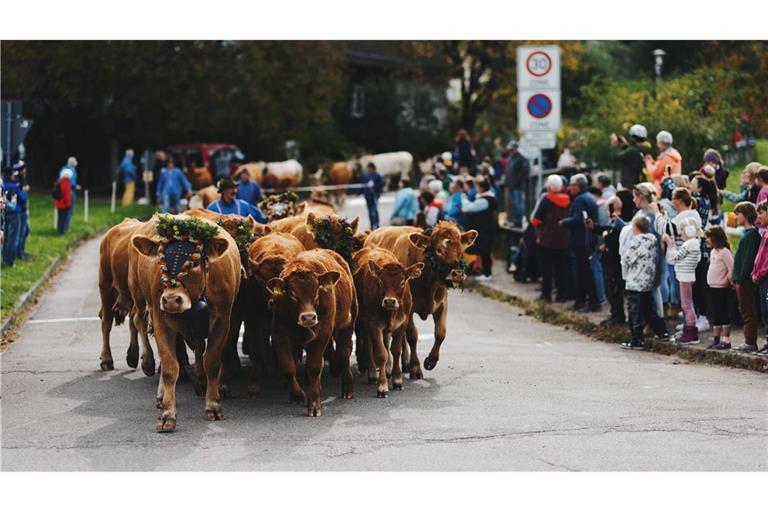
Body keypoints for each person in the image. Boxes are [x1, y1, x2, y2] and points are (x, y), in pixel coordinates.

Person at [621, 215, 668, 349]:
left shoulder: (635, 242)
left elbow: (627, 260)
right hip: (647, 281)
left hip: (635, 281)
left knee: (634, 311)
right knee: (649, 309)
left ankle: (637, 339)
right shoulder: (652, 241)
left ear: (635, 228)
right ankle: (662, 331)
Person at [560, 173, 600, 312]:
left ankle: (591, 300)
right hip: (587, 238)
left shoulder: (579, 200)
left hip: (581, 239)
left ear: (577, 186)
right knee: (584, 270)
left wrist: (564, 222)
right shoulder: (588, 197)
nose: (569, 188)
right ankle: (582, 300)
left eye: (571, 185)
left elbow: (578, 219)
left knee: (583, 271)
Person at [531, 174, 571, 302]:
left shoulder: (547, 200)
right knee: (561, 269)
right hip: (563, 239)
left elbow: (536, 219)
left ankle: (546, 295)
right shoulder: (568, 199)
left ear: (549, 186)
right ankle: (562, 295)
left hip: (547, 239)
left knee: (546, 269)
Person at [663, 219, 701, 344]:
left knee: (686, 306)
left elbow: (675, 257)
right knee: (687, 304)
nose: (680, 233)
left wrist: (670, 244)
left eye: (683, 229)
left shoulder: (689, 244)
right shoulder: (694, 243)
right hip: (686, 276)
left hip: (685, 276)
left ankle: (690, 333)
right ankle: (689, 332)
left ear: (690, 230)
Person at [731, 202, 760, 353]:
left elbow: (748, 261)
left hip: (744, 281)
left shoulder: (751, 236)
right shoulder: (747, 234)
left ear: (746, 215)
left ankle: (750, 341)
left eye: (738, 214)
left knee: (747, 310)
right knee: (744, 309)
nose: (736, 217)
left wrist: (740, 279)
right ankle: (748, 340)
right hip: (740, 280)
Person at [704, 226, 733, 349]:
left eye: (708, 238)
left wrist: (727, 281)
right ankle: (716, 339)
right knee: (716, 313)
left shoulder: (724, 252)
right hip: (713, 287)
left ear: (715, 238)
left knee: (723, 313)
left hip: (722, 287)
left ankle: (726, 340)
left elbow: (731, 268)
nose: (706, 240)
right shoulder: (713, 252)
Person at [462, 178, 497, 280]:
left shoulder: (485, 200)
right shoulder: (485, 198)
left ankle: (487, 274)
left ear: (481, 188)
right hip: (484, 229)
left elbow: (468, 208)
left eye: (477, 187)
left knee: (485, 251)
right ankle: (486, 273)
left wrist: (464, 200)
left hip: (485, 230)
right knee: (484, 251)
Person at [600, 196, 627, 324]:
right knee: (610, 290)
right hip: (609, 260)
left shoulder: (619, 223)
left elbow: (615, 239)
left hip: (614, 261)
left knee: (614, 290)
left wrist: (606, 240)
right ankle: (615, 314)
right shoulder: (613, 222)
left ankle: (618, 316)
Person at [750, 200, 768, 356]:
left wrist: (759, 274)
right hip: (761, 277)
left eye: (761, 213)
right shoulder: (765, 232)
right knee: (764, 310)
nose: (758, 217)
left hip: (765, 278)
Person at [611, 124, 650, 188]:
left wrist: (613, 145)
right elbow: (633, 153)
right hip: (640, 184)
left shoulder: (632, 151)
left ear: (634, 138)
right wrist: (625, 146)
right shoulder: (647, 149)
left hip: (628, 186)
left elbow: (615, 157)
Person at [2, 168, 26, 267]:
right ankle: (10, 261)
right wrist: (24, 191)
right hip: (14, 213)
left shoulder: (2, 185)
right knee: (13, 238)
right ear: (10, 175)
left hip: (4, 213)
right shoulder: (14, 186)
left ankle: (4, 258)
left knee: (5, 237)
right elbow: (22, 199)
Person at [505, 141, 529, 226]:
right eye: (509, 150)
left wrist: (516, 183)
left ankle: (518, 222)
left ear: (516, 149)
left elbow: (524, 172)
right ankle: (513, 221)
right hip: (510, 186)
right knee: (513, 205)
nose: (510, 151)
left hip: (518, 187)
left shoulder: (522, 159)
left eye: (512, 149)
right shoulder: (511, 159)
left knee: (519, 205)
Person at [13, 161, 30, 261]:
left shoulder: (17, 179)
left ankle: (21, 251)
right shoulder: (19, 180)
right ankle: (20, 253)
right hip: (21, 210)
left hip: (22, 209)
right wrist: (24, 190)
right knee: (22, 232)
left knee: (25, 231)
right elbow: (20, 196)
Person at [362, 162, 384, 229]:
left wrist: (375, 186)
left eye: (369, 168)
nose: (368, 169)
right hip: (367, 196)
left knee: (374, 211)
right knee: (369, 211)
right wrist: (359, 192)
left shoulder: (378, 175)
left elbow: (381, 185)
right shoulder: (365, 176)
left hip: (374, 195)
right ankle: (371, 225)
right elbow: (363, 185)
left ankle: (376, 224)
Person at [54, 168, 75, 234]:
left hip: (59, 203)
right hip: (64, 204)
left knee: (60, 218)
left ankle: (59, 230)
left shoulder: (59, 182)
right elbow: (67, 195)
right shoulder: (66, 183)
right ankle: (62, 231)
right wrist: (68, 204)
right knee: (64, 218)